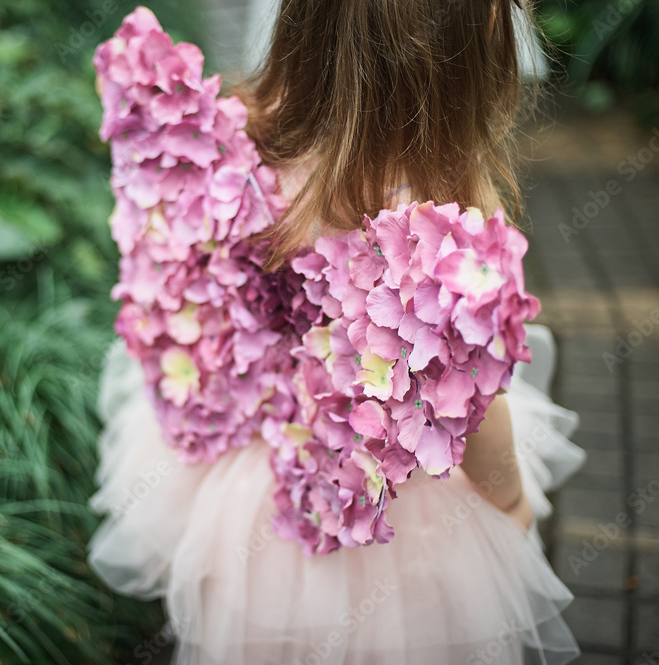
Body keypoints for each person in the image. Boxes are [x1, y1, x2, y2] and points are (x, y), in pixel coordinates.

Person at [87, 3, 587, 663]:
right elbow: (471, 420)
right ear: (466, 78)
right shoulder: (444, 256)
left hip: (245, 476)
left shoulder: (224, 143)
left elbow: (185, 274)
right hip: (387, 515)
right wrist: (513, 502)